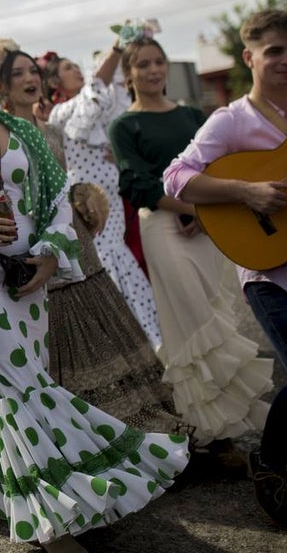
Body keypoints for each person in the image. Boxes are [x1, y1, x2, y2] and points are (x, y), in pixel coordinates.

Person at [0, 30, 188, 553]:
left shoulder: (20, 131)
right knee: (24, 385)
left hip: (31, 274)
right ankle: (50, 519)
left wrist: (52, 255)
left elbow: (57, 196)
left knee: (14, 383)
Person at [163, 8, 287, 524]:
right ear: (249, 56)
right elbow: (176, 177)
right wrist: (245, 191)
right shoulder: (231, 121)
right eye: (274, 50)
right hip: (270, 269)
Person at [0, 39, 186, 436]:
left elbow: (66, 178)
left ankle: (135, 427)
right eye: (17, 74)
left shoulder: (53, 129)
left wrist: (83, 200)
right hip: (36, 247)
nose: (29, 79)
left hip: (77, 238)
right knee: (61, 340)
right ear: (2, 87)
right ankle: (76, 432)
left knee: (105, 328)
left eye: (32, 72)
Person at [109, 29, 272, 471]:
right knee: (191, 324)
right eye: (142, 64)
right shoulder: (124, 124)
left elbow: (213, 168)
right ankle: (203, 436)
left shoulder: (189, 115)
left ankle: (219, 435)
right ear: (129, 75)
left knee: (217, 315)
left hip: (207, 224)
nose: (153, 70)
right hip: (163, 226)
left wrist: (204, 208)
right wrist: (184, 206)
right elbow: (135, 182)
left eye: (158, 61)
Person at [41, 45, 161, 349]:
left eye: (76, 66)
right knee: (104, 260)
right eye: (68, 68)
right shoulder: (61, 112)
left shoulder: (104, 102)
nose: (77, 71)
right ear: (55, 83)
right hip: (87, 198)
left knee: (120, 256)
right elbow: (97, 87)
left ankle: (147, 335)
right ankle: (123, 339)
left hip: (114, 194)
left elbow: (110, 94)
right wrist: (118, 48)